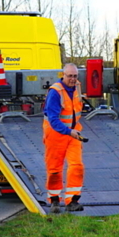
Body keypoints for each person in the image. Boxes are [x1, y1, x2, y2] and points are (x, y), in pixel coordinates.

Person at [43, 63, 85, 213]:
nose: (73, 79)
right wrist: (68, 131)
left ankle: (72, 201)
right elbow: (53, 120)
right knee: (54, 169)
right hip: (56, 134)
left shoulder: (77, 88)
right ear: (63, 75)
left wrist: (72, 131)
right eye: (70, 76)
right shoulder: (55, 92)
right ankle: (54, 200)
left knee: (77, 166)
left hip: (73, 133)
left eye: (75, 76)